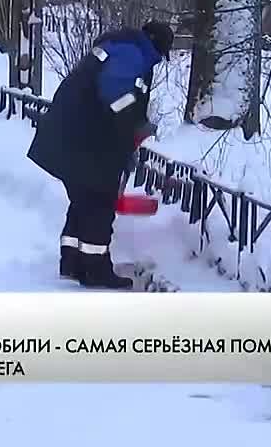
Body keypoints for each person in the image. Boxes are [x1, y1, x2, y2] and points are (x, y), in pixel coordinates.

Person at [27, 20, 174, 289]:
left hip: (72, 134)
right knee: (99, 200)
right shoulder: (132, 53)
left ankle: (72, 262)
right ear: (155, 45)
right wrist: (132, 126)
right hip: (84, 139)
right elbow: (115, 93)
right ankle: (96, 269)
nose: (156, 62)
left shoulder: (120, 46)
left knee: (84, 199)